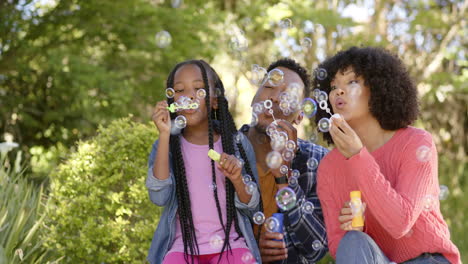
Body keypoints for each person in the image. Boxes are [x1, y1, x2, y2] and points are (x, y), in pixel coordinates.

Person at [315, 46, 461, 263]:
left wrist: (357, 156)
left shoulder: (416, 143)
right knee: (352, 241)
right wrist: (357, 225)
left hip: (428, 259)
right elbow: (339, 246)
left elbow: (400, 223)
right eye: (333, 86)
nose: (338, 91)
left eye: (352, 82)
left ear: (377, 87)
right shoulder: (329, 167)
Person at [146, 59, 261, 264]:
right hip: (183, 249)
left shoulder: (236, 144)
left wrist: (237, 179)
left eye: (198, 88)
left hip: (231, 246)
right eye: (179, 90)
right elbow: (159, 197)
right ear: (172, 102)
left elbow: (252, 207)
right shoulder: (167, 147)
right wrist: (164, 135)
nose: (188, 96)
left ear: (215, 100)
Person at [240, 58, 329, 263]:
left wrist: (284, 177)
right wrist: (250, 252)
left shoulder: (317, 160)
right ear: (254, 97)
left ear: (298, 117)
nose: (275, 97)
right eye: (269, 86)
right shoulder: (225, 151)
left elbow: (316, 248)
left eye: (288, 96)